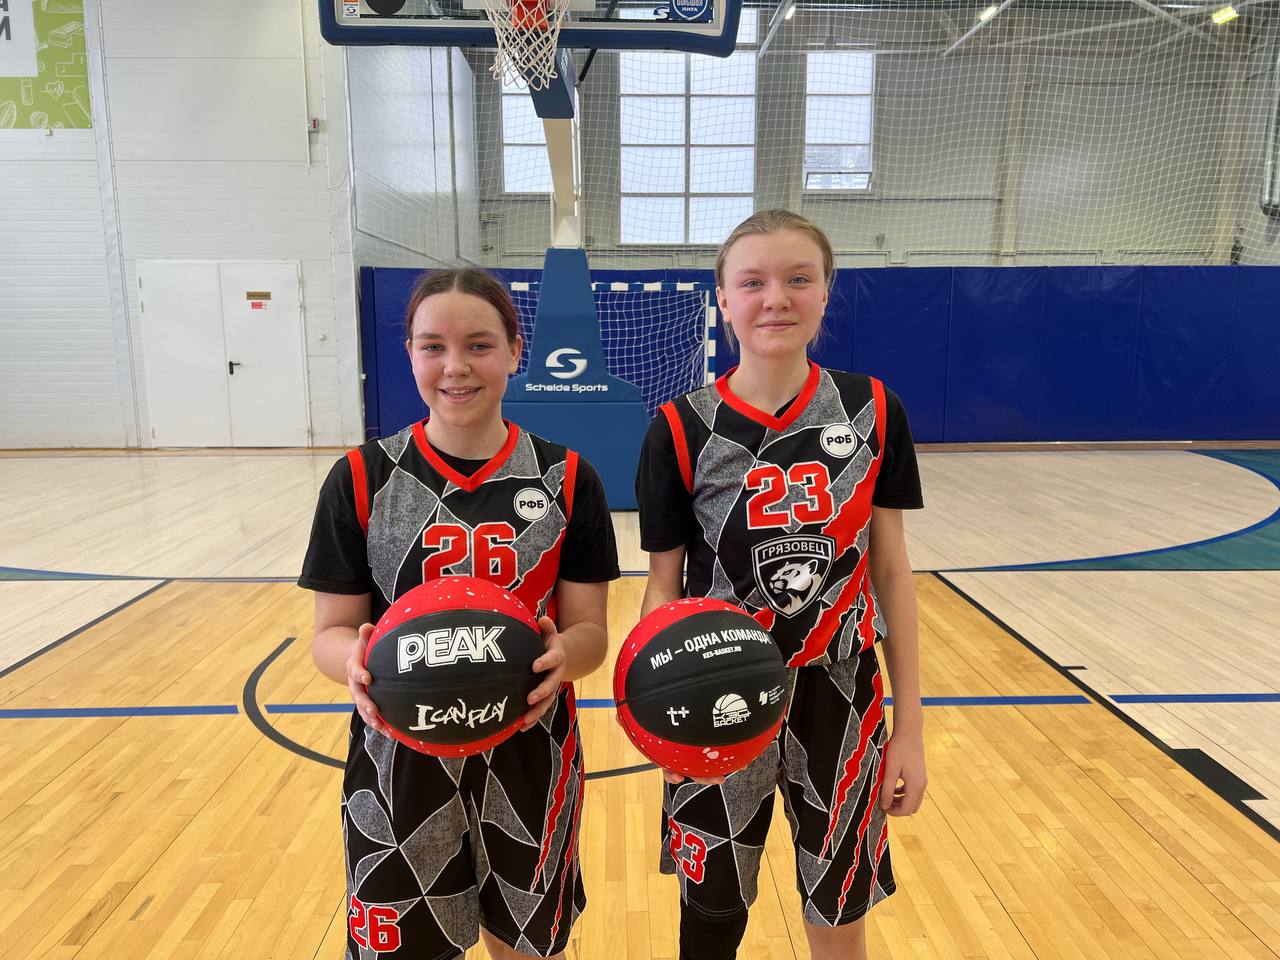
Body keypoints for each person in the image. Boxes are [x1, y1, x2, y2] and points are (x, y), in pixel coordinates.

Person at [299, 268, 619, 960]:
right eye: (433, 347)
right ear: (410, 354)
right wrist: (352, 661)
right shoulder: (361, 478)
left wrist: (565, 656)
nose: (455, 367)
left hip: (531, 749)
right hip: (398, 759)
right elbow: (329, 633)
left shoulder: (568, 479)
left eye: (478, 345)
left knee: (527, 948)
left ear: (515, 350)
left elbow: (592, 632)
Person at [635, 210, 927, 960]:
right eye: (753, 282)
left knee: (839, 902)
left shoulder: (873, 410)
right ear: (723, 300)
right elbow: (662, 588)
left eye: (799, 279)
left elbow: (892, 571)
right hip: (716, 688)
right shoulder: (680, 427)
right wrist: (655, 706)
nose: (776, 298)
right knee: (712, 907)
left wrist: (911, 730)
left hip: (843, 690)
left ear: (826, 291)